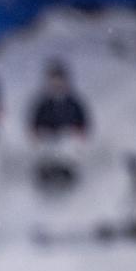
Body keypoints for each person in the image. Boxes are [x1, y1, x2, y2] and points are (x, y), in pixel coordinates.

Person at [28, 59, 91, 192]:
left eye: (59, 79)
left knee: (69, 149)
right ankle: (46, 176)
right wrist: (38, 133)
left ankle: (67, 176)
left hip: (66, 138)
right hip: (48, 138)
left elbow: (83, 122)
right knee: (45, 153)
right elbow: (34, 122)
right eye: (53, 80)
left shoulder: (73, 102)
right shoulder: (43, 103)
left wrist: (77, 133)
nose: (56, 83)